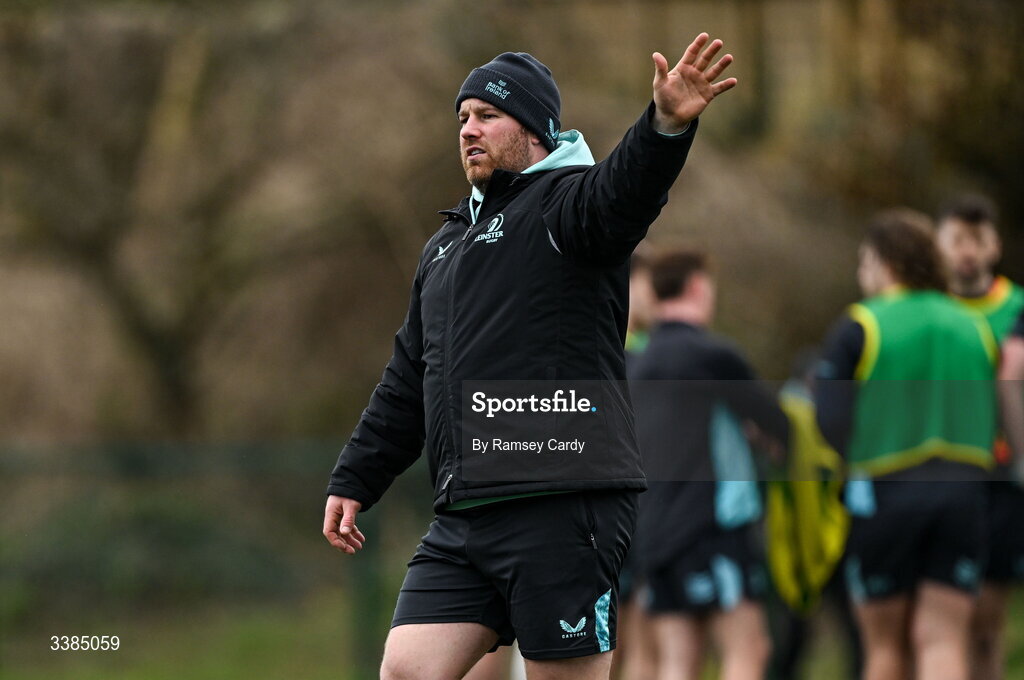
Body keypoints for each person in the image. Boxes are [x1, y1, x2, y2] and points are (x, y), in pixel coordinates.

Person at [322, 36, 737, 680]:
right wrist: (355, 477)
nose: (468, 130)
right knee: (406, 670)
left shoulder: (567, 206)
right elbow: (408, 375)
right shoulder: (444, 247)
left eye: (487, 115)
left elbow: (624, 192)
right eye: (462, 117)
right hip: (465, 515)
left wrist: (663, 127)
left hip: (564, 504)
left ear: (537, 129)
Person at [815, 209, 998, 680]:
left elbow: (828, 420)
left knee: (884, 647)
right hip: (964, 493)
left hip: (887, 492)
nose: (861, 275)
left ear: (884, 262)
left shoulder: (862, 323)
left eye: (864, 263)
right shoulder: (972, 326)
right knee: (942, 639)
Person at [629, 249, 788, 680]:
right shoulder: (712, 355)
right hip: (710, 529)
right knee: (748, 650)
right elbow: (778, 423)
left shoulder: (638, 365)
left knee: (677, 661)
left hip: (653, 531)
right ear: (698, 286)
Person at [936, 194, 1024, 680]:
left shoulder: (1018, 308)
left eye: (977, 240)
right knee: (941, 624)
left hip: (999, 477)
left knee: (987, 626)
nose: (966, 251)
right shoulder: (924, 308)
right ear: (939, 246)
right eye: (956, 240)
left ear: (995, 246)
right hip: (939, 473)